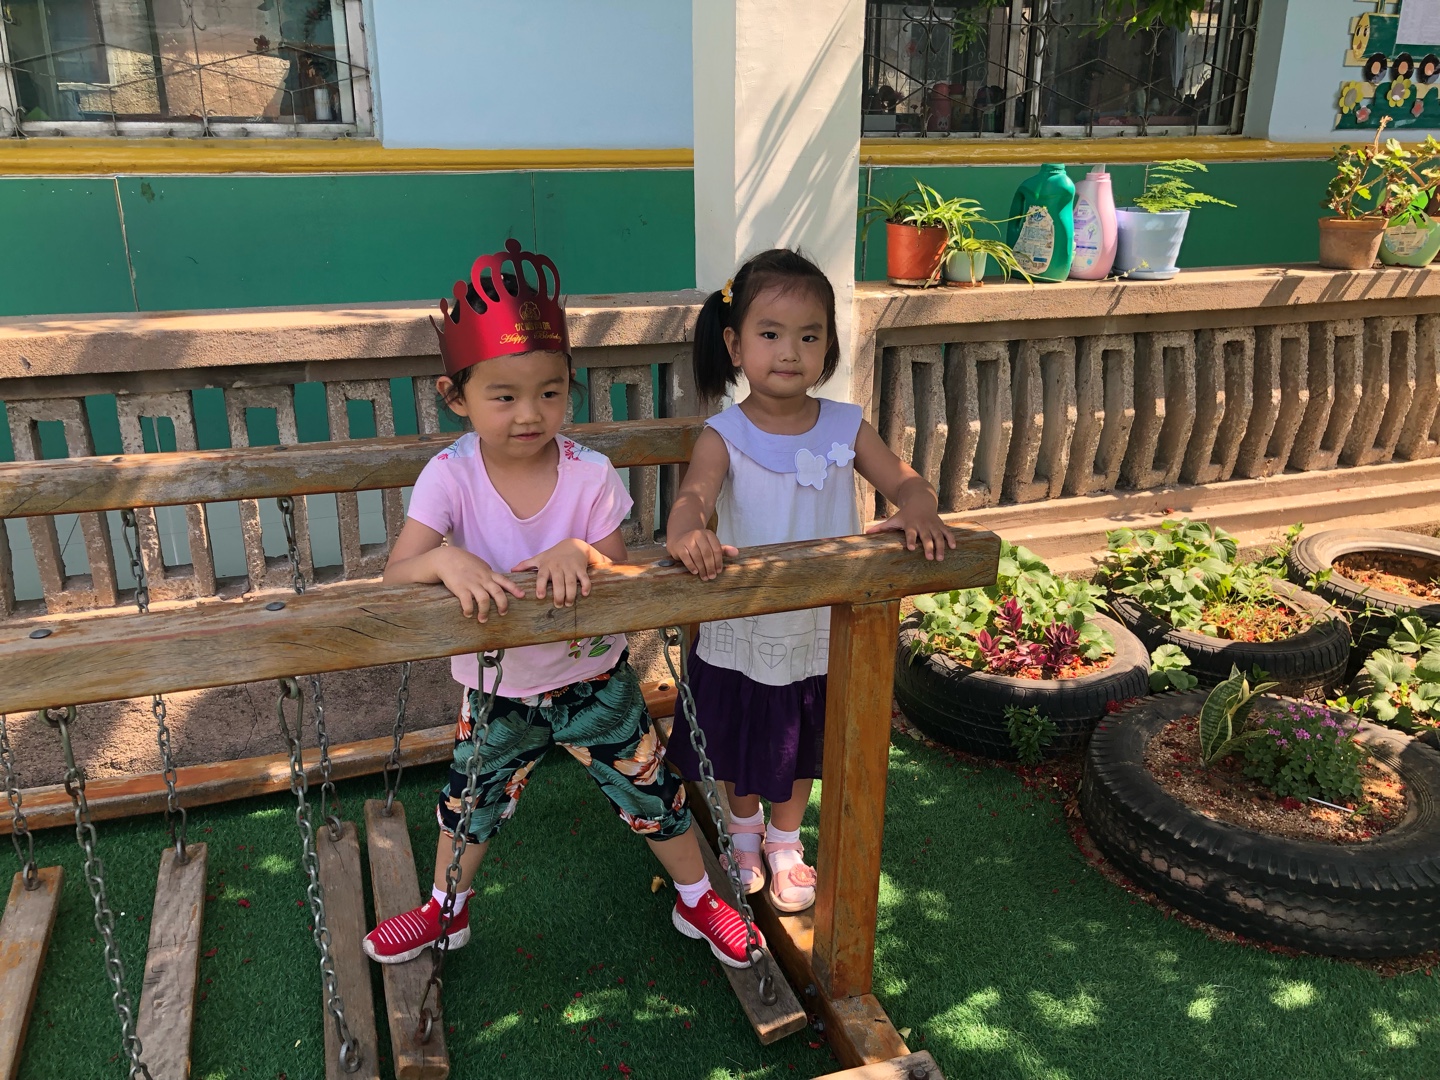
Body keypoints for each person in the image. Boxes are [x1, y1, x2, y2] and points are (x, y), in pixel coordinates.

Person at [362, 239, 764, 970]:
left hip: (594, 678)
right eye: (504, 396)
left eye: (549, 392)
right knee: (468, 803)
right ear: (456, 397)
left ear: (569, 388)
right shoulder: (447, 477)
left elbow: (619, 568)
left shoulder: (590, 475)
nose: (529, 413)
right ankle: (445, 909)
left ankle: (698, 897)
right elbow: (396, 577)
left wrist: (580, 551)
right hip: (497, 687)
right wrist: (445, 559)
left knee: (653, 790)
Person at [664, 249, 954, 913]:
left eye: (809, 335)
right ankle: (743, 832)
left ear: (829, 345)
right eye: (770, 333)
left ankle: (785, 841)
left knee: (799, 738)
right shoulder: (723, 434)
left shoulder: (846, 425)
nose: (790, 352)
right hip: (746, 621)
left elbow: (907, 481)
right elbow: (692, 500)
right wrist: (687, 533)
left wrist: (919, 507)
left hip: (820, 624)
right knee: (742, 732)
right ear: (734, 344)